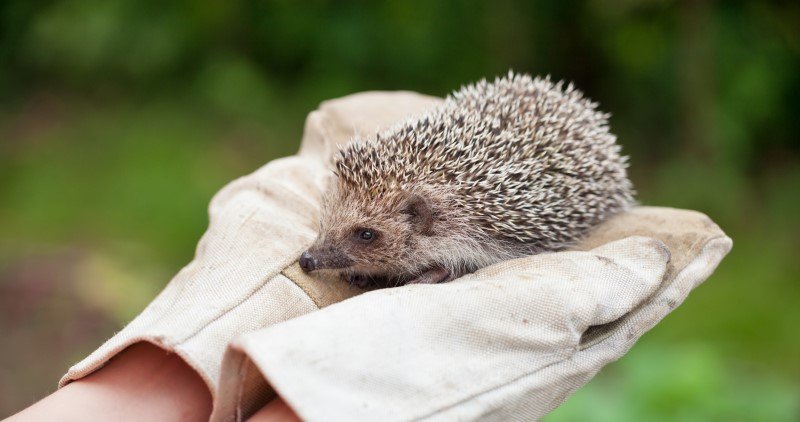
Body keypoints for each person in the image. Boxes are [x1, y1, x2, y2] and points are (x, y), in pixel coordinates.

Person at [7, 92, 732, 422]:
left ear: (429, 223)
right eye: (337, 230)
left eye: (365, 239)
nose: (324, 254)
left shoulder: (465, 225)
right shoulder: (374, 211)